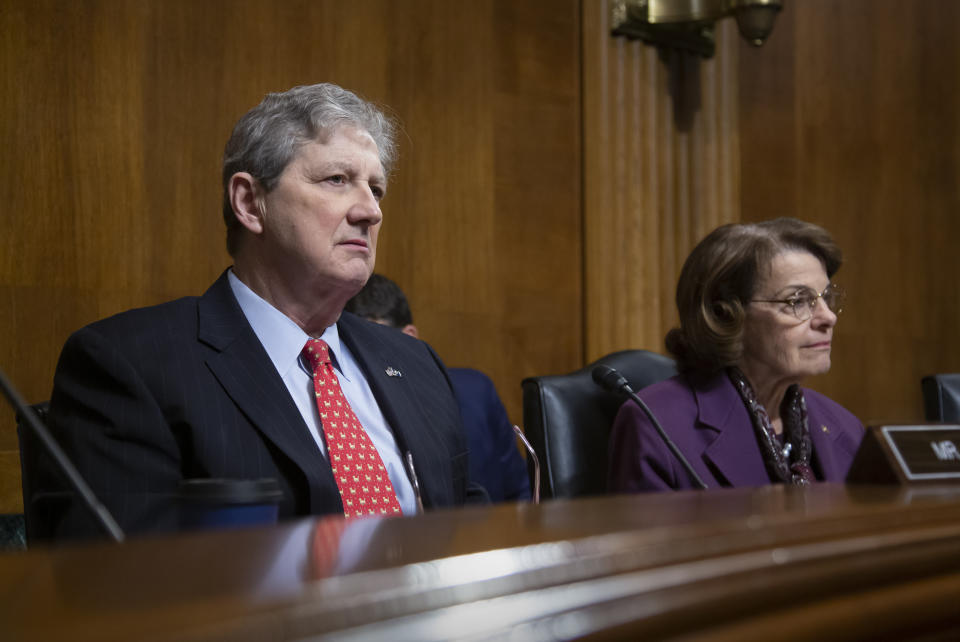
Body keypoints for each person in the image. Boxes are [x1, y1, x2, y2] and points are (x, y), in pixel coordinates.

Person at [29, 83, 483, 540]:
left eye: (377, 188)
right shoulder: (131, 365)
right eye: (337, 180)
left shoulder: (415, 363)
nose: (370, 211)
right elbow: (123, 584)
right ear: (249, 202)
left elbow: (470, 531)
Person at [608, 218, 865, 492]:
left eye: (826, 297)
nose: (827, 318)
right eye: (798, 301)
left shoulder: (844, 426)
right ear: (726, 315)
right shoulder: (657, 425)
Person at [345, 274, 531, 503]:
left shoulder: (475, 392)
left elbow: (520, 492)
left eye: (372, 343)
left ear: (409, 337)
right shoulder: (342, 415)